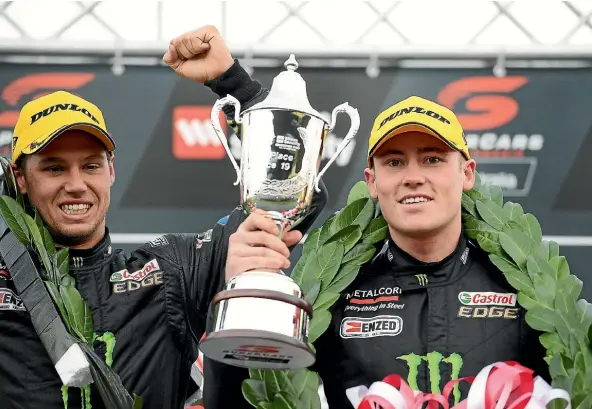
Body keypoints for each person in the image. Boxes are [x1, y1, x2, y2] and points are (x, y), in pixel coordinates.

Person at [196, 32, 550, 408]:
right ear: (373, 182)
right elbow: (237, 404)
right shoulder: (329, 297)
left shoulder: (530, 294)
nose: (413, 175)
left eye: (432, 158)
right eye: (394, 162)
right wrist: (238, 298)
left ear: (467, 173)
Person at [0, 26, 328, 409]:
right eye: (54, 169)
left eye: (90, 166)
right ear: (20, 178)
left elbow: (297, 191)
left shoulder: (171, 269)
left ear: (111, 171)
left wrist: (236, 84)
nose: (76, 185)